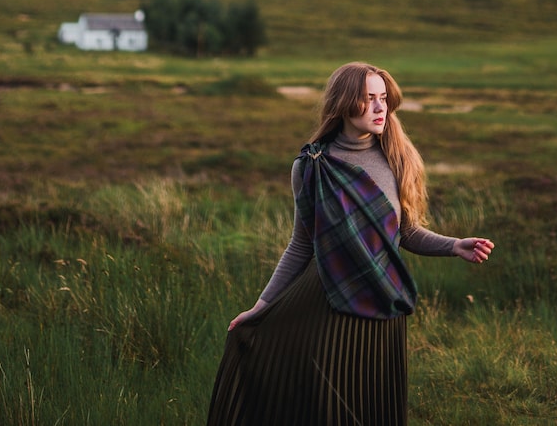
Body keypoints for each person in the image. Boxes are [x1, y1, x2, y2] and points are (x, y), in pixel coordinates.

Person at [206, 61, 494, 426]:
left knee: (373, 401)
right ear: (343, 103)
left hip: (383, 300)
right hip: (326, 299)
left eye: (383, 98)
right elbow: (300, 244)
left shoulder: (398, 160)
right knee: (327, 404)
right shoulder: (312, 165)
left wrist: (454, 245)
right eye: (368, 99)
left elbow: (407, 233)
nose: (379, 108)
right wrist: (261, 307)